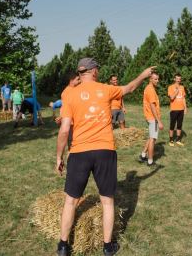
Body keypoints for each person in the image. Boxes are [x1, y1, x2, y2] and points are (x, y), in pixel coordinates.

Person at [55, 58, 155, 256]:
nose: (98, 72)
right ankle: (108, 247)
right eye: (98, 69)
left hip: (79, 152)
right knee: (107, 201)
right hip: (104, 151)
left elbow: (64, 130)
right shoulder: (106, 89)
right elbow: (131, 87)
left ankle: (63, 245)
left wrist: (59, 157)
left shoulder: (70, 95)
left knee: (70, 201)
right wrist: (144, 75)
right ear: (93, 71)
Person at [139, 72, 164, 166]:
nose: (157, 81)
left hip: (150, 116)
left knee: (151, 137)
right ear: (150, 79)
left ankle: (143, 154)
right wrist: (159, 121)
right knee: (153, 139)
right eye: (155, 79)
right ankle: (150, 161)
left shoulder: (150, 88)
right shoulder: (150, 90)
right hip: (152, 118)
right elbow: (152, 106)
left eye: (158, 79)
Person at [167, 73, 187, 147]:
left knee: (179, 125)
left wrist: (185, 108)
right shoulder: (170, 87)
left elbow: (183, 98)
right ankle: (171, 140)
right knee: (172, 125)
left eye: (180, 79)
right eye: (177, 79)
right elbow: (171, 97)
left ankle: (178, 140)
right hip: (174, 109)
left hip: (181, 109)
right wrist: (177, 91)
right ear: (174, 79)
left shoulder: (182, 87)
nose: (178, 80)